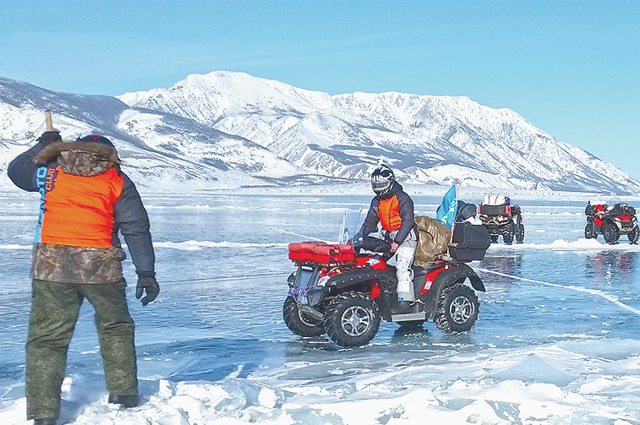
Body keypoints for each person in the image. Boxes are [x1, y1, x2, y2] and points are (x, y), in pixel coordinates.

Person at [7, 131, 159, 425]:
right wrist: (146, 272)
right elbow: (136, 228)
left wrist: (44, 146)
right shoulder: (116, 179)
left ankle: (43, 412)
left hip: (51, 267)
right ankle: (124, 394)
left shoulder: (50, 172)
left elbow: (16, 170)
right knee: (115, 327)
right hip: (100, 267)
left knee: (47, 339)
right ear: (109, 155)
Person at [357, 164, 418, 303]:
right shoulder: (377, 201)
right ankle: (380, 296)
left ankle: (406, 301)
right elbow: (370, 222)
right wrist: (360, 237)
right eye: (376, 185)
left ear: (390, 182)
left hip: (406, 237)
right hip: (387, 236)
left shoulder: (402, 198)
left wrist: (397, 242)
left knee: (402, 266)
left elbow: (408, 221)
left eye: (382, 184)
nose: (379, 189)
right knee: (374, 263)